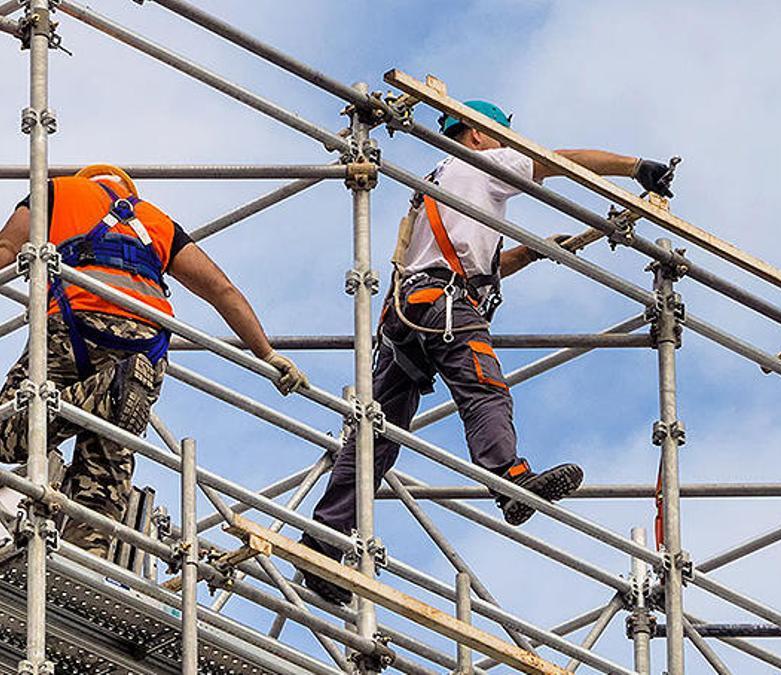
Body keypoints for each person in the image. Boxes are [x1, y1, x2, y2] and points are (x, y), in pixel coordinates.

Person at [300, 100, 676, 604]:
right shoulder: (483, 163)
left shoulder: (439, 182)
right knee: (483, 390)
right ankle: (509, 479)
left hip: (407, 316)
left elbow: (474, 263)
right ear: (476, 134)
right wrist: (635, 168)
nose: (506, 146)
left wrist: (531, 251)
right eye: (500, 136)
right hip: (445, 307)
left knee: (375, 436)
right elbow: (558, 162)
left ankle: (323, 541)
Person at [0, 165, 308, 556]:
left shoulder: (58, 192)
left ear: (87, 181)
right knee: (104, 472)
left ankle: (111, 389)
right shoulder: (157, 221)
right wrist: (267, 354)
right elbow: (221, 289)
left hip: (75, 326)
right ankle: (86, 560)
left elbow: (8, 249)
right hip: (145, 345)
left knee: (7, 431)